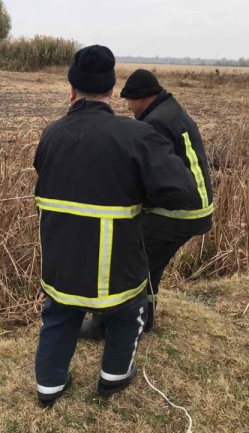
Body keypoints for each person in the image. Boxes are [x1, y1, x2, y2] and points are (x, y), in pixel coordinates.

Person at [33, 46, 203, 408]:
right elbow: (184, 190)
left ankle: (49, 386)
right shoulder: (135, 136)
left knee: (60, 315)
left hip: (60, 262)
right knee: (128, 313)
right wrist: (142, 193)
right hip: (116, 267)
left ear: (71, 90)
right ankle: (113, 378)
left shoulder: (50, 134)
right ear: (111, 91)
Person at [81, 69, 213, 339]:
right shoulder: (171, 111)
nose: (129, 108)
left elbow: (147, 174)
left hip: (177, 212)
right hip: (196, 208)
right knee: (149, 265)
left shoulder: (155, 123)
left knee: (126, 261)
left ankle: (106, 325)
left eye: (129, 101)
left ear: (142, 98)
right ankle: (145, 320)